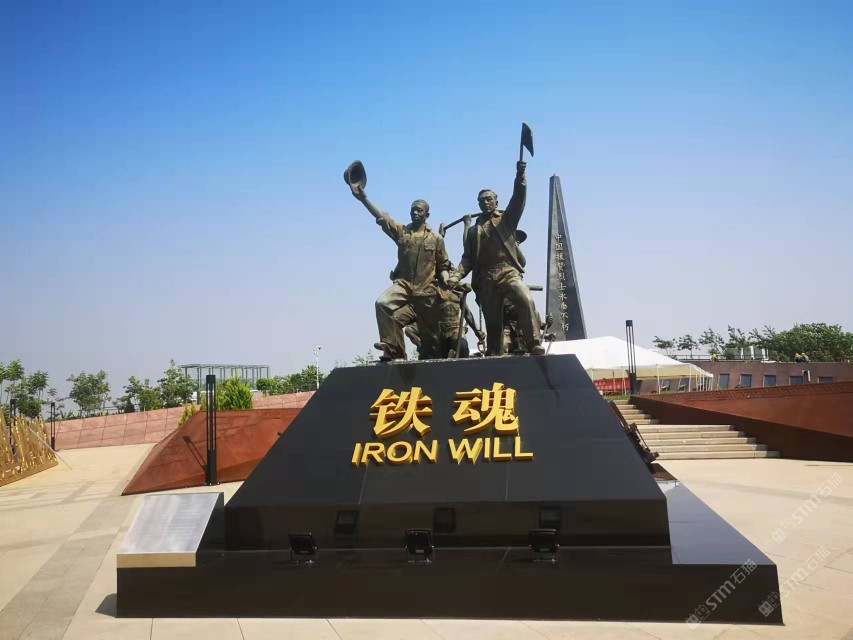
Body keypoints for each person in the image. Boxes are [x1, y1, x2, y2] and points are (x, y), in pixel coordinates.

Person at [448, 161, 544, 356]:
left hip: (507, 272)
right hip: (486, 279)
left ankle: (534, 343)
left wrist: (520, 177)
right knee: (494, 326)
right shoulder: (473, 231)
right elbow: (467, 259)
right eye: (482, 200)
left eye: (489, 199)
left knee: (525, 298)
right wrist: (456, 276)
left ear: (496, 202)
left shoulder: (506, 220)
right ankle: (494, 355)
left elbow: (518, 199)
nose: (485, 203)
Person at [350, 183, 451, 361]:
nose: (415, 213)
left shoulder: (436, 238)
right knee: (382, 303)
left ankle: (435, 359)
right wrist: (364, 198)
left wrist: (447, 281)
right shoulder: (402, 232)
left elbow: (443, 266)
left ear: (427, 215)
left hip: (426, 290)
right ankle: (392, 349)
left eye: (419, 210)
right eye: (413, 210)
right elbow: (382, 218)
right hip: (403, 285)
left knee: (431, 338)